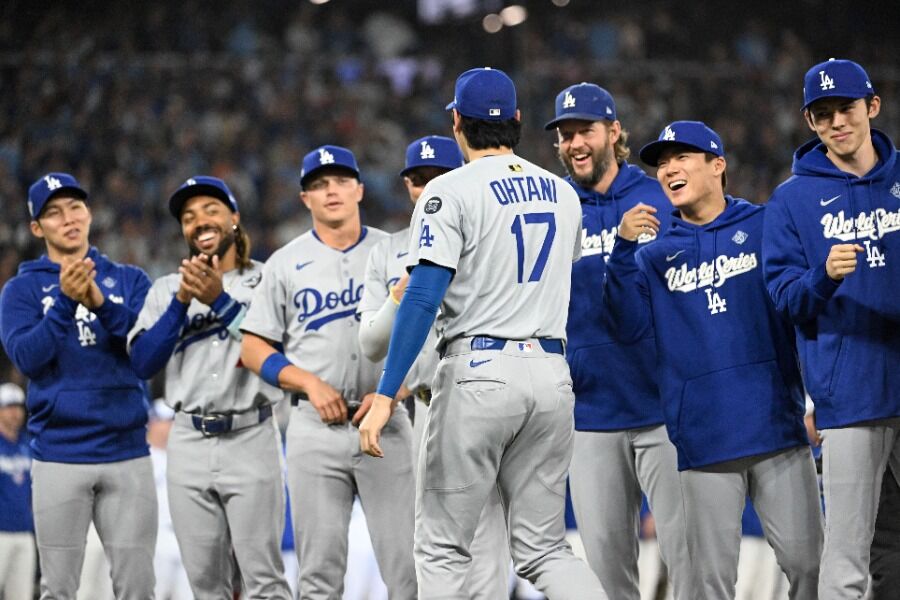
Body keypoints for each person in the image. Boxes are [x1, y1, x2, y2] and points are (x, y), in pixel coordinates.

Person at [358, 67, 607, 599]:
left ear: (457, 123)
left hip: (479, 371)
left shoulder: (448, 190)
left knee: (442, 548)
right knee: (545, 550)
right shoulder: (563, 194)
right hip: (550, 372)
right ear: (517, 119)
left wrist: (383, 394)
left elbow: (422, 297)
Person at [604, 121, 823, 599]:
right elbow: (626, 329)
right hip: (704, 443)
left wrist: (818, 402)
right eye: (662, 163)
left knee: (811, 567)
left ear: (717, 165)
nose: (668, 170)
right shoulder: (653, 256)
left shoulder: (764, 226)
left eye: (681, 157)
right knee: (709, 586)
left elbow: (803, 312)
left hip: (777, 431)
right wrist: (621, 251)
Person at [240, 145, 417, 599]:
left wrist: (398, 389)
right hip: (314, 428)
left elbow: (433, 333)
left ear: (360, 189)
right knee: (318, 575)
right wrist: (308, 383)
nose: (331, 191)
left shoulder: (397, 251)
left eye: (340, 181)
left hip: (387, 423)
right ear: (305, 199)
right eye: (319, 185)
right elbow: (253, 347)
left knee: (410, 569)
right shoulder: (285, 261)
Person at [762, 57, 900, 598]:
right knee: (845, 561)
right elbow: (783, 297)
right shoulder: (791, 200)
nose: (837, 122)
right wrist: (822, 277)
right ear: (810, 122)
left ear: (872, 106)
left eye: (846, 108)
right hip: (850, 399)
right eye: (823, 114)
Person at [545, 82, 688, 599]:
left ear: (613, 131)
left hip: (663, 409)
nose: (575, 143)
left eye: (584, 130)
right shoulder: (553, 209)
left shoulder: (659, 196)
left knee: (690, 561)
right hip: (590, 416)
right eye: (565, 135)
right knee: (608, 575)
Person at [357, 134, 511, 599]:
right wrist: (399, 294)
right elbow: (371, 344)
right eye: (418, 179)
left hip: (479, 392)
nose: (428, 188)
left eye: (438, 177)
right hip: (424, 408)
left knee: (486, 540)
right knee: (432, 540)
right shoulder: (388, 252)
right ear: (406, 186)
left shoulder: (488, 236)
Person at [128, 175, 290, 598]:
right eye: (188, 216)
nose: (199, 220)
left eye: (211, 210)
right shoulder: (167, 289)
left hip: (251, 434)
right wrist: (182, 301)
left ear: (234, 218)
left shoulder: (269, 279)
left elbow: (277, 352)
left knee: (264, 580)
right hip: (188, 440)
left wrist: (219, 300)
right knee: (204, 584)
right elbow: (143, 362)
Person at [0, 172, 157, 599]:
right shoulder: (21, 290)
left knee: (139, 587)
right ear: (37, 228)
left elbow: (147, 353)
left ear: (89, 214)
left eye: (75, 207)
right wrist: (66, 302)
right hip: (59, 453)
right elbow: (27, 358)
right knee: (58, 590)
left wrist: (101, 304)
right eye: (54, 213)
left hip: (127, 451)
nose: (68, 218)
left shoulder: (129, 280)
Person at [145, 400, 192, 600]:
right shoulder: (141, 458)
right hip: (154, 540)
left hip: (185, 541)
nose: (169, 426)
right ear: (152, 422)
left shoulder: (187, 458)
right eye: (164, 421)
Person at [0, 381, 35, 600]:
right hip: (0, 532)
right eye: (9, 407)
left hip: (24, 531)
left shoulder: (27, 444)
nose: (15, 412)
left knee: (22, 595)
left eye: (18, 406)